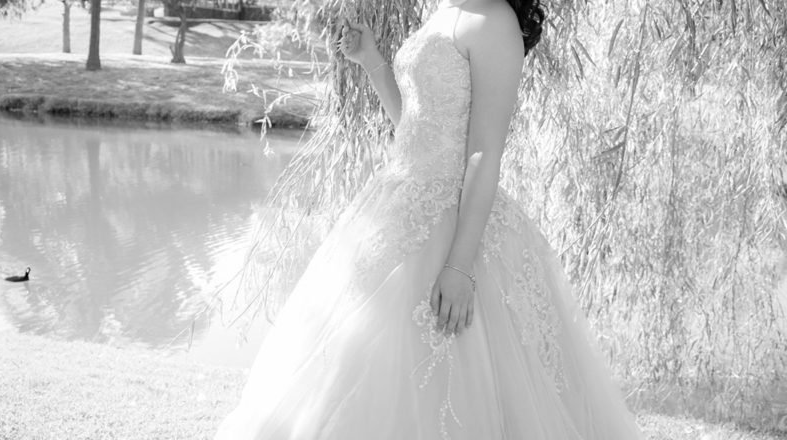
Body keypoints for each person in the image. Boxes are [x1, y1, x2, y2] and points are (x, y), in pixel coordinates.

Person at [215, 0, 644, 438]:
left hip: (455, 225)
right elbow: (415, 125)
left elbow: (484, 152)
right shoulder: (444, 9)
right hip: (399, 205)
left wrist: (460, 265)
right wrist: (371, 60)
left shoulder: (494, 21)